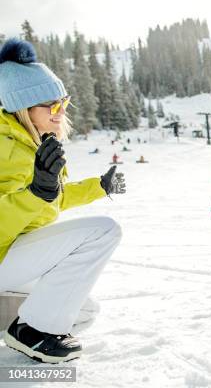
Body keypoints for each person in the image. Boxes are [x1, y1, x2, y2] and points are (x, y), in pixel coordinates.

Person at [0, 38, 127, 363]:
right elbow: (32, 201)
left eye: (63, 103)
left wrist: (99, 186)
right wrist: (34, 194)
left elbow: (52, 198)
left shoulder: (34, 142)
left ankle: (23, 320)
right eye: (51, 105)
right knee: (104, 231)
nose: (61, 112)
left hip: (11, 255)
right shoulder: (3, 146)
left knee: (82, 310)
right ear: (23, 107)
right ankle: (32, 333)